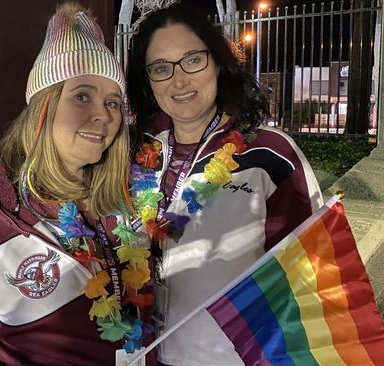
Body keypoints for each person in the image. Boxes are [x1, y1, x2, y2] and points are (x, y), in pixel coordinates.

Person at [0, 3, 155, 365]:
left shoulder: (129, 200)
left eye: (113, 101)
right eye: (82, 96)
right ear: (43, 108)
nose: (104, 114)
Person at [126, 3, 323, 365]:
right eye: (160, 68)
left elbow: (309, 273)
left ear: (216, 61)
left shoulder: (270, 155)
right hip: (143, 354)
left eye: (193, 60)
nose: (179, 80)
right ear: (148, 80)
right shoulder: (134, 153)